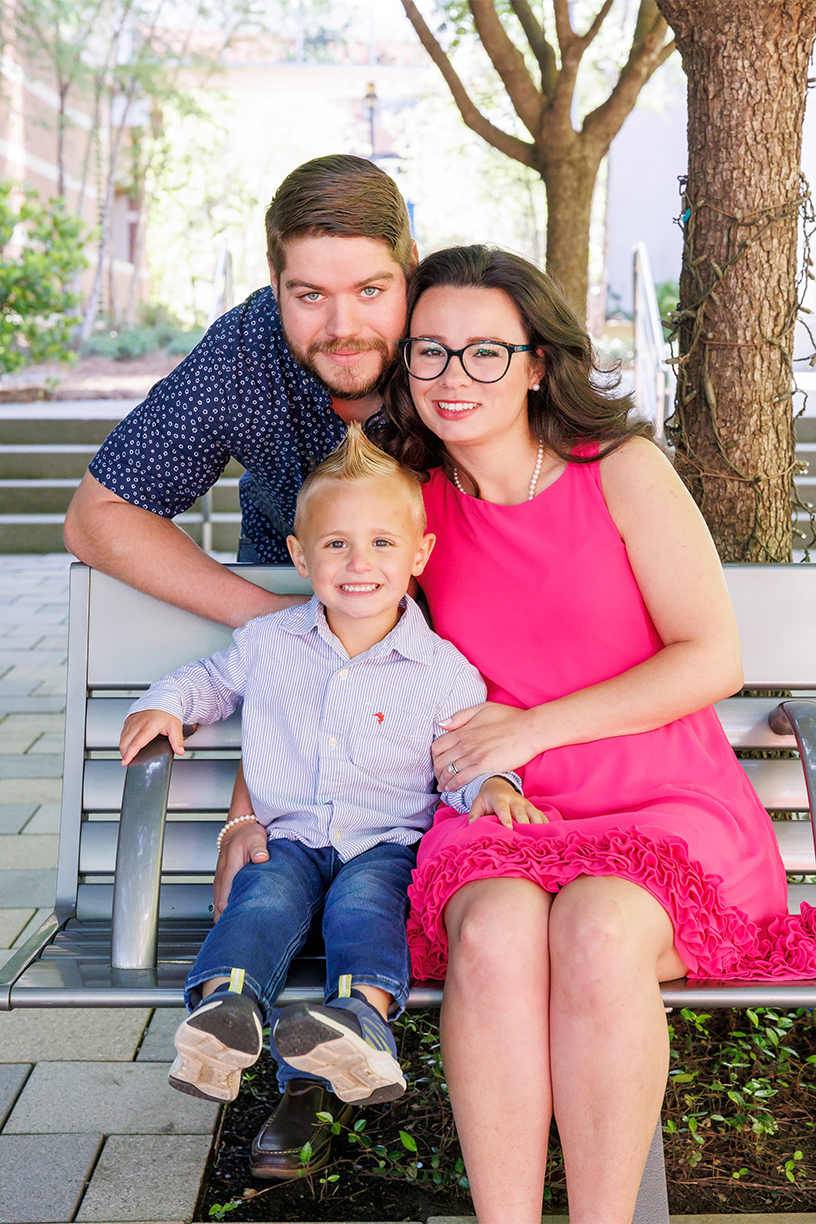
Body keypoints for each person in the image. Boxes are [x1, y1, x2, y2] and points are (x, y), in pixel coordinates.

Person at [222, 243, 816, 1221]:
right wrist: (255, 804)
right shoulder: (409, 509)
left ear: (537, 361)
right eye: (431, 353)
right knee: (494, 936)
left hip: (660, 800)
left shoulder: (619, 471)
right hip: (496, 806)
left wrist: (533, 727)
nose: (455, 378)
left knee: (597, 931)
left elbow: (712, 658)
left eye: (485, 353)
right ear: (404, 366)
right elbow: (320, 656)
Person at [118, 424, 530, 1179]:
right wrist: (166, 706)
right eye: (335, 545)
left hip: (387, 842)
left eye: (381, 543)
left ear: (419, 556)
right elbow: (209, 680)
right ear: (301, 556)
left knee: (366, 911)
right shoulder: (271, 640)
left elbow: (462, 761)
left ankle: (361, 1021)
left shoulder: (443, 670)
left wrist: (495, 786)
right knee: (262, 897)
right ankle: (223, 1016)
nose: (358, 563)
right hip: (290, 834)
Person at [63, 153, 415, 631]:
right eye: (310, 295)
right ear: (275, 280)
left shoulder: (458, 335)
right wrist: (276, 625)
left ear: (410, 267)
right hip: (288, 588)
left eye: (370, 291)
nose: (342, 328)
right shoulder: (245, 349)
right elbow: (97, 517)